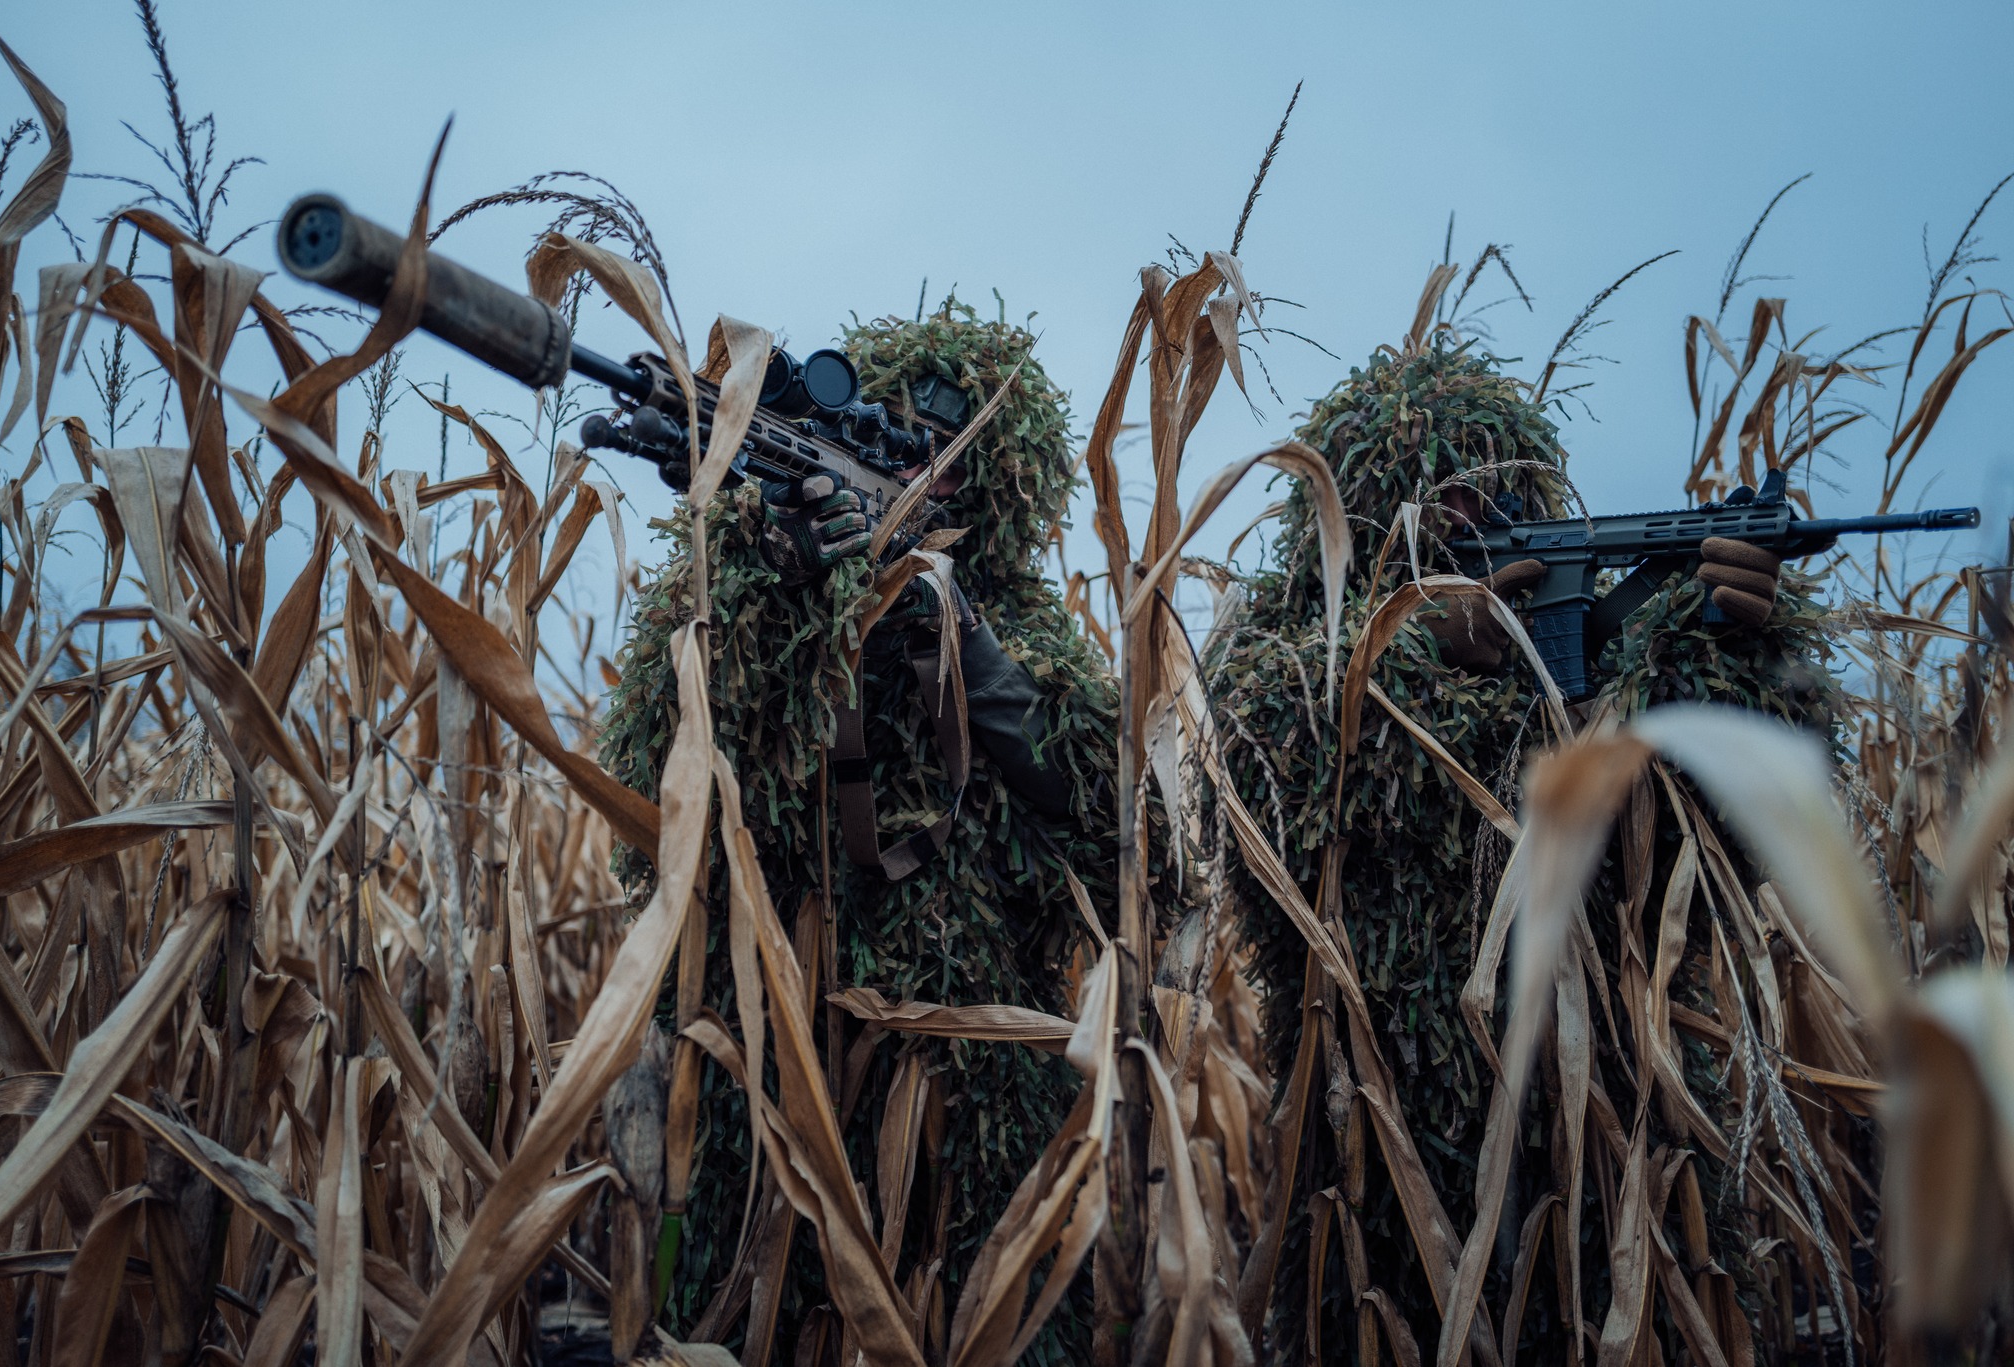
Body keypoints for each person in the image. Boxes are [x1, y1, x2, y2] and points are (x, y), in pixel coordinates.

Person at [1207, 325, 1847, 1364]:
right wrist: (1416, 648)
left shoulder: (1592, 667)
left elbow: (1743, 835)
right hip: (1378, 1154)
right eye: (1431, 491)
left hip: (1606, 1151)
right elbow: (1283, 805)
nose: (1465, 514)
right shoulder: (1284, 659)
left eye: (1491, 491)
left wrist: (1738, 647)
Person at [601, 298, 1118, 1364]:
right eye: (895, 442)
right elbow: (661, 808)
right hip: (778, 1064)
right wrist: (795, 599)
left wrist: (946, 620)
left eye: (947, 453)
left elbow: (1095, 804)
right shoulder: (748, 580)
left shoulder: (1013, 622)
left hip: (974, 1070)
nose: (918, 464)